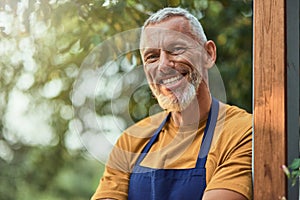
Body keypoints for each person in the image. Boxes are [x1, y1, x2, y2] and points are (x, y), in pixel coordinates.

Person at [91, 7, 252, 200]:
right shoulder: (131, 141)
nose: (163, 66)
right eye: (152, 57)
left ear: (208, 54)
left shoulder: (242, 131)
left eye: (176, 49)